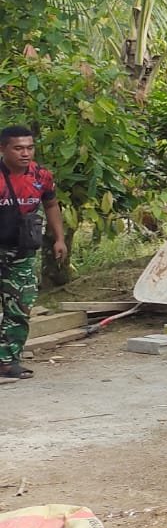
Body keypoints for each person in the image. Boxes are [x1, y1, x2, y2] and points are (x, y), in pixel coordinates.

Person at [0, 126, 67, 380]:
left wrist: (59, 239)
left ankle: (7, 361)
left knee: (20, 306)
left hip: (22, 251)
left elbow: (51, 204)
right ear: (3, 149)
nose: (25, 153)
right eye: (18, 148)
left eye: (29, 148)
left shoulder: (41, 176)